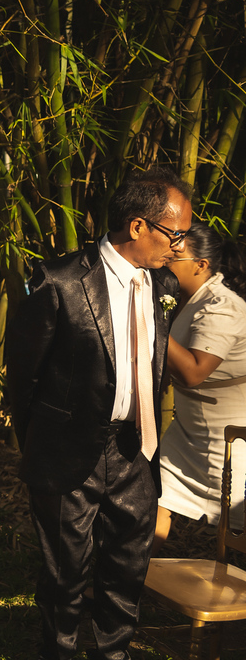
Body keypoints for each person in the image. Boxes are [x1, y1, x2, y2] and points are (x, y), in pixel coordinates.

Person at [7, 168, 192, 660]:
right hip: (68, 449)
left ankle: (115, 654)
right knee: (66, 574)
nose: (180, 246)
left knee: (127, 569)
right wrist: (41, 447)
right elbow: (22, 378)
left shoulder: (163, 285)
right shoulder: (61, 281)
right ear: (138, 226)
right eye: (175, 234)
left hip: (137, 447)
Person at [154, 224, 246, 550]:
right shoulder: (187, 298)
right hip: (189, 429)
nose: (164, 259)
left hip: (231, 438)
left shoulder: (223, 307)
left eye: (174, 256)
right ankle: (132, 582)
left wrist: (149, 320)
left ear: (201, 264)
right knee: (154, 495)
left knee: (237, 522)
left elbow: (194, 371)